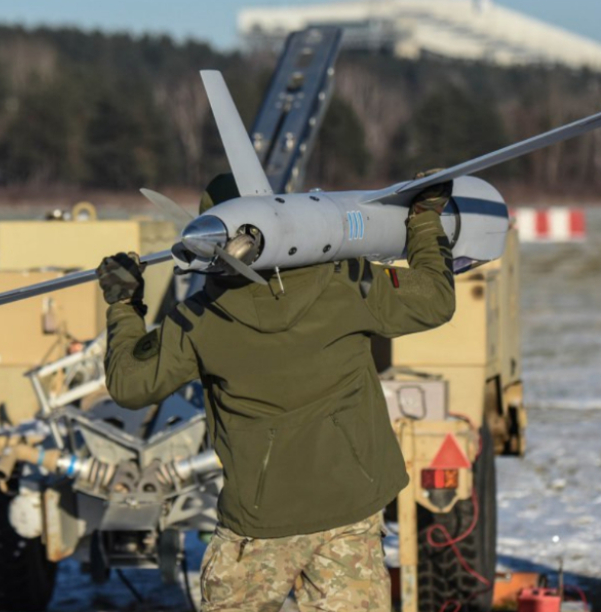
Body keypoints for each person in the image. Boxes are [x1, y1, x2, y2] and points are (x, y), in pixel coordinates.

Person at [96, 174, 456, 611]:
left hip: (258, 528)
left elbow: (130, 386)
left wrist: (123, 305)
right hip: (350, 512)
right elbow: (434, 299)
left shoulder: (198, 322)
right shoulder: (348, 282)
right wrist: (423, 220)